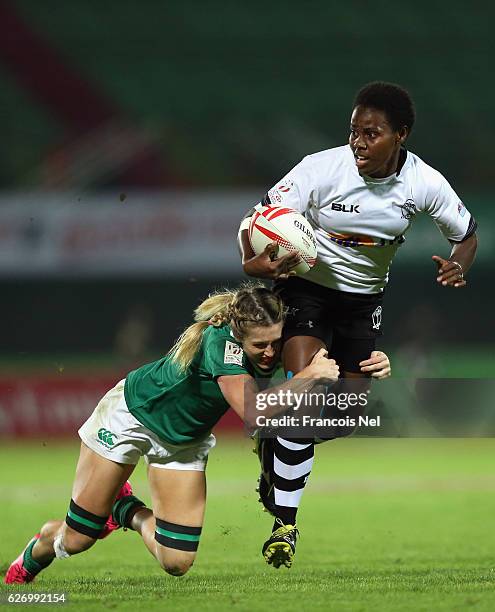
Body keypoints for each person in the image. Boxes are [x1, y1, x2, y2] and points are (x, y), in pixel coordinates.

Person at [237, 81, 478, 568]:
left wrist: (459, 264)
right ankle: (285, 524)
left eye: (371, 133)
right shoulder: (320, 169)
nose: (359, 142)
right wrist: (253, 263)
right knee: (306, 391)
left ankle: (275, 440)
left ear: (400, 135)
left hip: (363, 304)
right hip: (306, 291)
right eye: (354, 131)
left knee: (344, 418)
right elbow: (256, 220)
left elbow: (466, 234)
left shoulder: (424, 183)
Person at [4, 284, 342, 585]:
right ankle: (33, 557)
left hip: (183, 443)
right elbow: (253, 413)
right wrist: (309, 376)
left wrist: (373, 361)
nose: (270, 352)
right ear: (238, 335)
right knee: (78, 539)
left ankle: (126, 509)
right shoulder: (220, 343)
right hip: (130, 417)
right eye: (260, 345)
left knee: (176, 562)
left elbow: (334, 367)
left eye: (275, 342)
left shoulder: (273, 342)